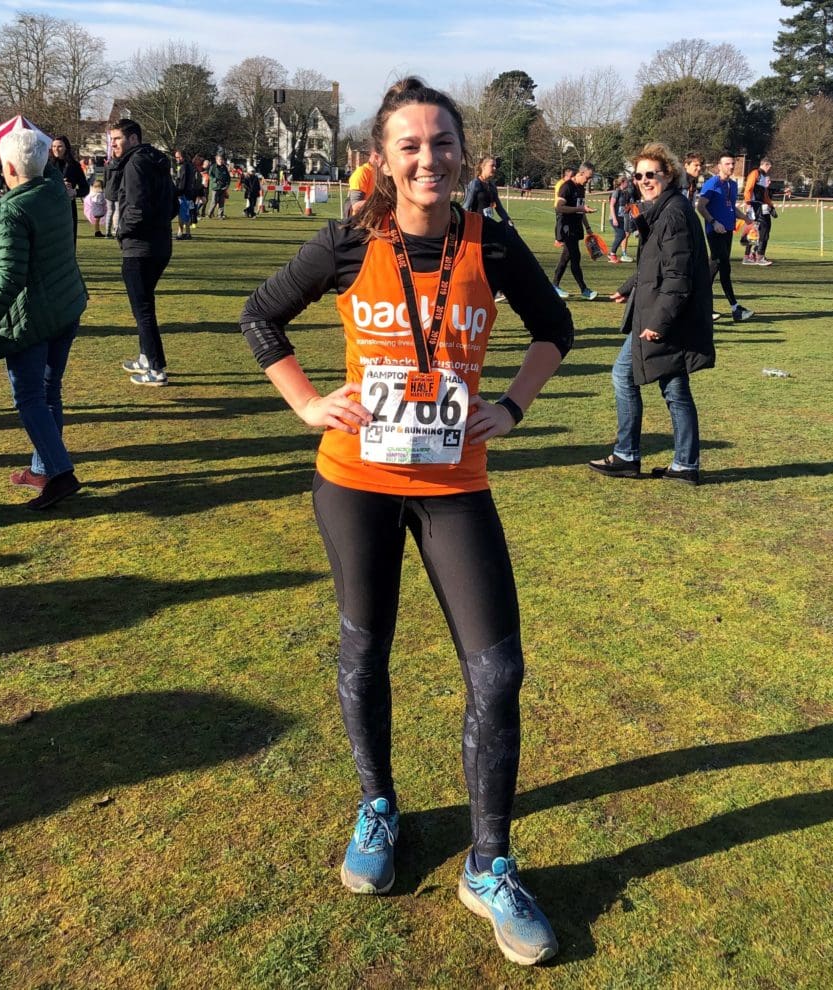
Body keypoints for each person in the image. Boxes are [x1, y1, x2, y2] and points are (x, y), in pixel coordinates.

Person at [239, 76, 572, 967]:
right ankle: (379, 805)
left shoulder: (493, 245)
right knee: (364, 648)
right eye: (411, 146)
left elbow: (557, 328)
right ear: (382, 161)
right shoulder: (348, 240)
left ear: (465, 154)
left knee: (497, 670)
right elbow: (261, 315)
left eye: (443, 143)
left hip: (456, 484)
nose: (430, 159)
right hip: (356, 481)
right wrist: (308, 403)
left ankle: (489, 864)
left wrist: (514, 405)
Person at [0, 128, 87, 509]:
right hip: (65, 307)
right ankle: (43, 467)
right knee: (50, 391)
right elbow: (39, 164)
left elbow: (5, 284)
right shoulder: (53, 191)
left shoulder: (13, 211)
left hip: (31, 320)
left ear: (9, 167)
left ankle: (60, 473)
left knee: (30, 396)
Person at [588, 143, 715, 486]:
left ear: (668, 175)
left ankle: (630, 455)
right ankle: (681, 463)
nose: (644, 180)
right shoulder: (662, 210)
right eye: (639, 175)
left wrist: (660, 321)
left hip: (665, 316)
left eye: (651, 175)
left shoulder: (673, 213)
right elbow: (653, 262)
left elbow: (678, 275)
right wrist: (630, 285)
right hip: (658, 310)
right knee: (673, 387)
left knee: (633, 378)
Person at [109, 118, 175, 386]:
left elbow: (136, 206)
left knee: (143, 308)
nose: (113, 144)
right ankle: (147, 357)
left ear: (133, 139)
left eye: (117, 139)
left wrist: (123, 231)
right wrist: (114, 163)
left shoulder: (136, 164)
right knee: (143, 306)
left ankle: (156, 369)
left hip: (140, 247)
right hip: (159, 244)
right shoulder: (152, 162)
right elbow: (114, 193)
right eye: (111, 139)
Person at [697, 153, 754, 323]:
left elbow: (730, 207)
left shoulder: (732, 185)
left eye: (732, 164)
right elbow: (701, 207)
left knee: (720, 269)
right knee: (718, 267)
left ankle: (709, 307)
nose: (731, 166)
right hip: (715, 232)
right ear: (719, 166)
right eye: (727, 164)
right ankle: (729, 308)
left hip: (728, 231)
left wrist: (744, 217)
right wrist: (713, 222)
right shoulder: (712, 183)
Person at [551, 161, 598, 300]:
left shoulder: (581, 189)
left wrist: (588, 228)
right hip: (566, 228)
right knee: (575, 258)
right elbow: (559, 207)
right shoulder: (567, 187)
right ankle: (584, 289)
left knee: (565, 259)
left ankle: (554, 286)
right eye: (588, 178)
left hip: (576, 228)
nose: (588, 181)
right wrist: (580, 209)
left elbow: (581, 210)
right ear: (581, 173)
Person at [49, 136, 89, 246]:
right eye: (54, 146)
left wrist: (74, 192)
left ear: (66, 148)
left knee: (69, 242)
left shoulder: (74, 166)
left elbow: (85, 188)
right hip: (50, 207)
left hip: (68, 208)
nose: (56, 149)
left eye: (60, 146)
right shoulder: (46, 165)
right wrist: (57, 184)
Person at [742, 157, 776, 265]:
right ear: (766, 165)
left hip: (761, 205)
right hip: (754, 205)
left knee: (756, 230)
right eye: (769, 167)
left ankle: (748, 256)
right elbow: (748, 188)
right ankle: (759, 256)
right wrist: (748, 204)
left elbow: (765, 194)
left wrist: (771, 207)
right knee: (762, 230)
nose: (769, 169)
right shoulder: (755, 173)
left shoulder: (764, 176)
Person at [463, 156, 512, 224]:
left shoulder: (492, 186)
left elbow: (498, 207)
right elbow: (466, 207)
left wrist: (508, 220)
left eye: (495, 166)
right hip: (476, 225)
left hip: (488, 224)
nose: (495, 168)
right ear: (483, 167)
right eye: (492, 165)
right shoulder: (474, 184)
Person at [607, 173, 636, 263]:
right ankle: (612, 254)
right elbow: (611, 205)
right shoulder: (617, 192)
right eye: (627, 182)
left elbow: (627, 205)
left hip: (621, 218)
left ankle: (612, 254)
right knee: (621, 235)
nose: (628, 183)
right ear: (622, 182)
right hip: (614, 218)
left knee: (620, 235)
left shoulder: (625, 193)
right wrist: (614, 219)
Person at [343, 151, 379, 219]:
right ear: (376, 156)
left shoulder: (378, 174)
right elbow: (356, 206)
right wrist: (380, 206)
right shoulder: (362, 172)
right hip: (359, 223)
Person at [173, 149, 195, 239]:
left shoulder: (184, 167)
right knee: (186, 213)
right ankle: (186, 232)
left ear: (182, 157)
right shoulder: (189, 166)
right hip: (188, 193)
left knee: (183, 214)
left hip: (183, 194)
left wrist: (178, 192)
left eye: (178, 157)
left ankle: (181, 233)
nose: (176, 159)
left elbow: (182, 182)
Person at [208, 154, 230, 219]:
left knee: (221, 202)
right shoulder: (213, 167)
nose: (221, 161)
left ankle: (220, 215)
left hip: (223, 187)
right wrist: (215, 180)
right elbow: (210, 175)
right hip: (215, 187)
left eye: (221, 159)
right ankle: (209, 213)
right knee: (214, 202)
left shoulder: (224, 167)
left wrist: (227, 185)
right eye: (219, 159)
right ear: (216, 160)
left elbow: (228, 177)